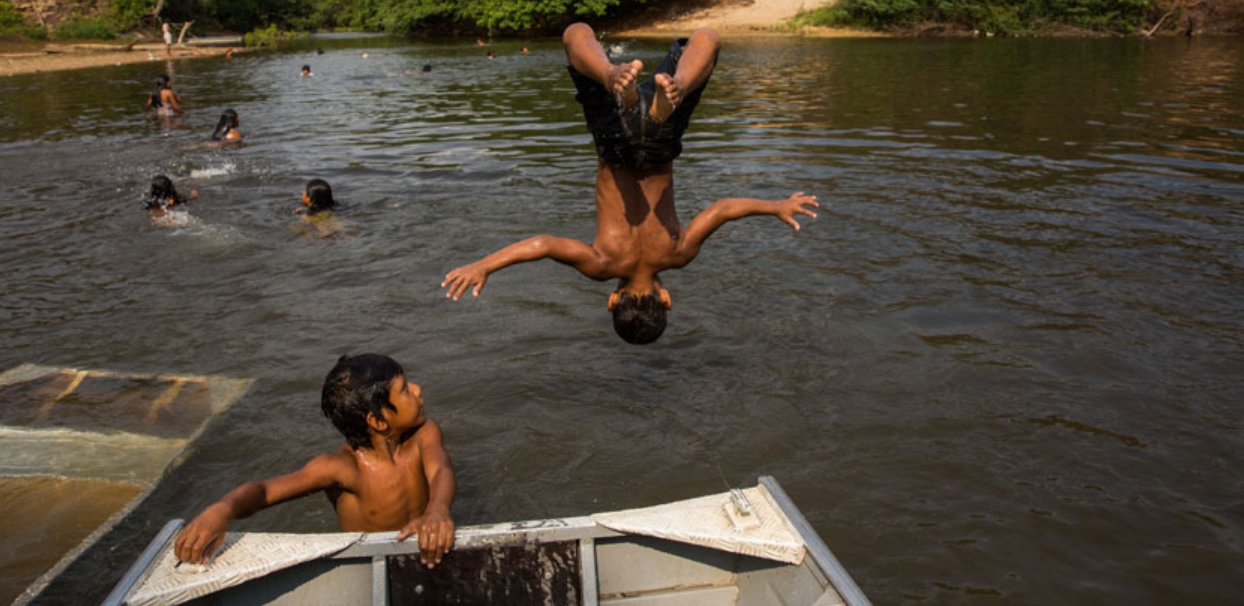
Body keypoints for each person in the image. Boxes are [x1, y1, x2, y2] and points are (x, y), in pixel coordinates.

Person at [441, 23, 819, 345]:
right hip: (615, 145)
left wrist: (776, 206)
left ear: (665, 298)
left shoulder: (678, 254)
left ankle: (676, 87)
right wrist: (484, 265)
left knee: (706, 38)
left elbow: (721, 210)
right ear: (611, 301)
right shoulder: (600, 264)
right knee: (576, 34)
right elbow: (543, 244)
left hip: (660, 144)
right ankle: (611, 77)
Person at [174, 354, 456, 567]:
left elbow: (440, 470)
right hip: (368, 563)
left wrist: (437, 510)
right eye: (405, 389)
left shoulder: (424, 434)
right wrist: (223, 509)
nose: (418, 390)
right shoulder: (342, 468)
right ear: (378, 421)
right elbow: (265, 491)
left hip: (425, 550)